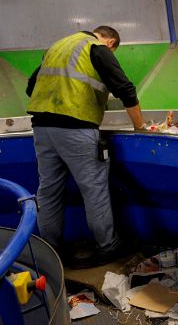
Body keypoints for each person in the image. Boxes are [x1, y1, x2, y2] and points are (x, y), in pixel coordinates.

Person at [26, 26, 144, 267]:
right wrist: (140, 127)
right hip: (76, 128)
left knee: (48, 191)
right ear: (110, 42)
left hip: (42, 127)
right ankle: (107, 245)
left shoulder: (56, 48)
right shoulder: (97, 48)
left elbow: (31, 87)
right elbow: (126, 89)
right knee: (94, 189)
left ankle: (51, 249)